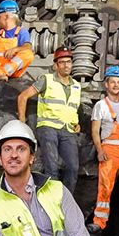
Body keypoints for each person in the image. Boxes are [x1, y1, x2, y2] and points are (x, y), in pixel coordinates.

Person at [17, 47, 81, 194]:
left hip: (68, 130)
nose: (66, 65)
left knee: (73, 168)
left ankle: (65, 201)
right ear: (56, 65)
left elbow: (72, 108)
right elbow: (23, 97)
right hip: (48, 127)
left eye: (69, 62)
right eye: (62, 62)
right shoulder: (47, 80)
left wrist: (77, 124)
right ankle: (50, 200)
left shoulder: (76, 86)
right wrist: (22, 121)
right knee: (51, 168)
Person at [88, 66, 119, 233]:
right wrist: (100, 150)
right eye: (112, 82)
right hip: (109, 149)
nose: (116, 85)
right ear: (106, 84)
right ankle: (99, 222)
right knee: (105, 186)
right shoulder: (100, 105)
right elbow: (95, 131)